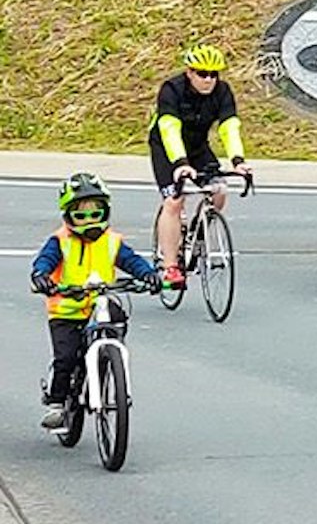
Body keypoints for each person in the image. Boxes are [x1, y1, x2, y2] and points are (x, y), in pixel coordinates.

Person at [28, 173, 160, 428]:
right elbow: (44, 262)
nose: (89, 221)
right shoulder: (60, 241)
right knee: (66, 358)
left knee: (118, 317)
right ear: (68, 216)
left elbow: (132, 261)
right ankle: (57, 402)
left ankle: (110, 362)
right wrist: (41, 276)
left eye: (95, 214)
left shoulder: (112, 241)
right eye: (81, 216)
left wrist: (148, 275)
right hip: (66, 311)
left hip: (100, 306)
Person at [149, 45, 251, 288]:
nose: (208, 80)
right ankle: (171, 266)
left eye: (214, 74)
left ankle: (198, 235)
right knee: (174, 201)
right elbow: (169, 130)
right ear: (189, 72)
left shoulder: (223, 92)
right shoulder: (172, 89)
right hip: (166, 148)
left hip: (197, 146)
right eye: (202, 74)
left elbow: (229, 128)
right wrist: (180, 164)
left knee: (219, 190)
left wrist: (238, 160)